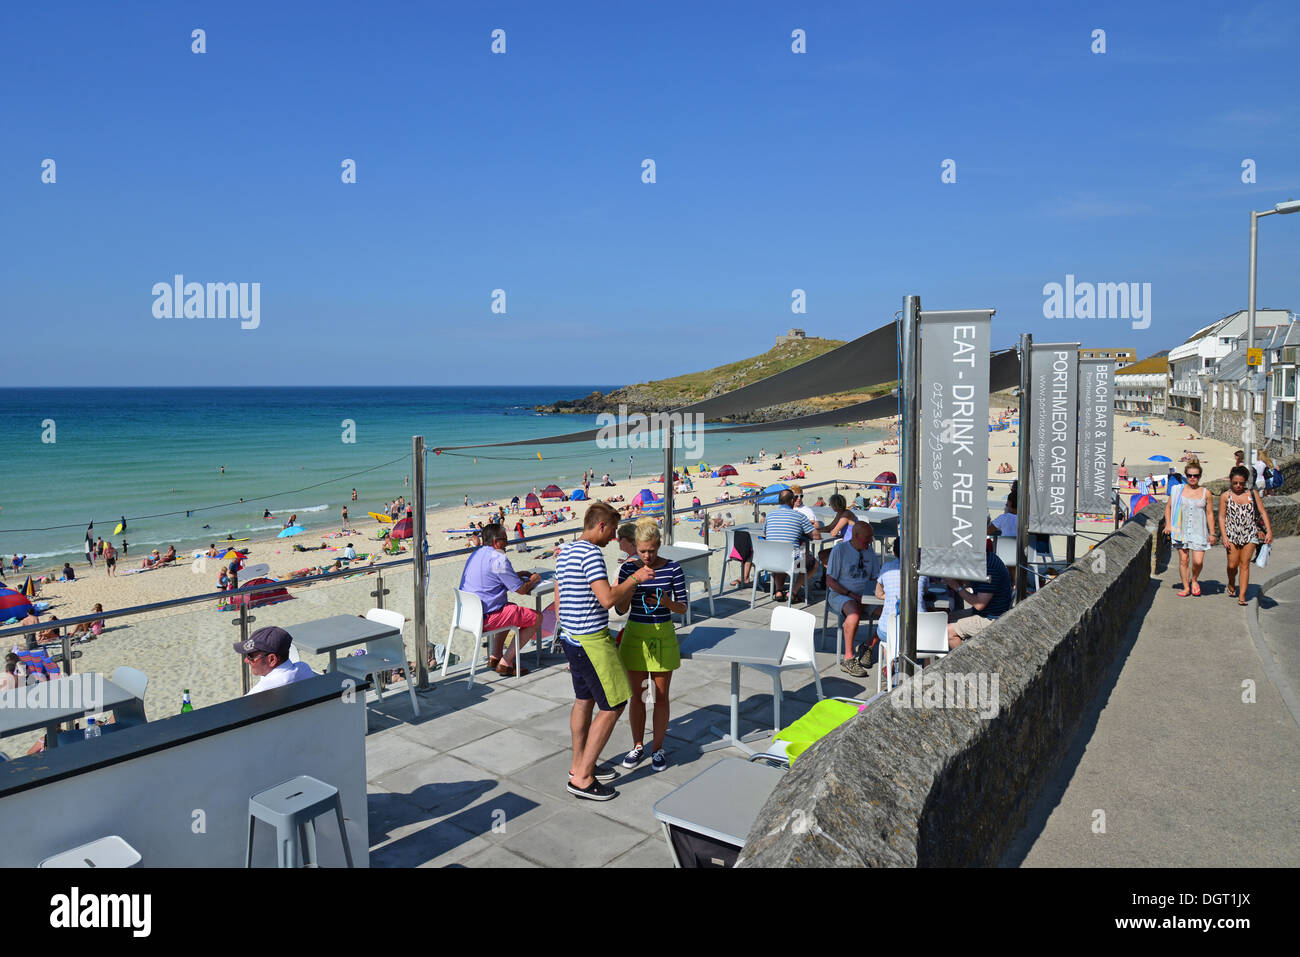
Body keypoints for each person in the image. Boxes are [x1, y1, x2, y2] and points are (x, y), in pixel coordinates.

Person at [555, 502, 655, 801]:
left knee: (584, 700)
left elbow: (560, 601)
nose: (613, 538)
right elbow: (608, 599)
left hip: (571, 638)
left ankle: (578, 766)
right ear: (600, 525)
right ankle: (583, 778)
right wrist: (635, 579)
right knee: (614, 703)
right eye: (611, 530)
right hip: (592, 640)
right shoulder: (591, 554)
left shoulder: (565, 551)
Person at [615, 519, 687, 772]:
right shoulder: (628, 569)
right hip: (635, 635)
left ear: (659, 546)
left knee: (660, 696)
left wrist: (666, 602)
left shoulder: (673, 569)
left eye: (652, 551)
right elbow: (620, 608)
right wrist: (632, 581)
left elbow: (684, 607)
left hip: (663, 635)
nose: (647, 556)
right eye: (642, 551)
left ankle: (657, 748)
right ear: (636, 546)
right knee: (638, 696)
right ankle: (637, 745)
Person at [459, 523, 543, 676]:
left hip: (468, 616)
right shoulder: (498, 559)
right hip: (486, 619)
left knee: (509, 608)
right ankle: (505, 663)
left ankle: (495, 656)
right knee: (537, 618)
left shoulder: (476, 554)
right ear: (496, 542)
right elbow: (521, 590)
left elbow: (494, 576)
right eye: (505, 540)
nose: (508, 543)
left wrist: (517, 574)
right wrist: (534, 579)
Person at [825, 522, 882, 675]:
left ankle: (869, 645)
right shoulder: (840, 550)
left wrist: (878, 595)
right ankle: (849, 658)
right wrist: (852, 595)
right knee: (854, 614)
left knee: (891, 613)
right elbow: (830, 581)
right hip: (842, 594)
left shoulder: (869, 552)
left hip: (867, 596)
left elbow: (876, 577)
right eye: (868, 537)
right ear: (856, 536)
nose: (871, 540)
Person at [1219, 465, 1272, 606]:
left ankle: (1242, 596)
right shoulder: (1226, 496)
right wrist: (1224, 536)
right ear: (1231, 481)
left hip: (1250, 534)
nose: (1238, 486)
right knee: (1232, 565)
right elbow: (1222, 517)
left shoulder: (1252, 495)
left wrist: (1269, 531)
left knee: (1244, 564)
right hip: (1232, 534)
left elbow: (1262, 512)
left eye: (1241, 483)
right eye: (1235, 483)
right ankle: (1231, 582)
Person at [1163, 456, 1216, 597]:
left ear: (1200, 476)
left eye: (1195, 476)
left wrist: (1212, 533)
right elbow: (1168, 508)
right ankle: (1186, 587)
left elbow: (1210, 514)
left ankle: (1194, 579)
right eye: (1190, 475)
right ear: (1186, 475)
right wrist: (1168, 524)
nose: (1192, 478)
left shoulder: (1206, 493)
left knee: (1198, 562)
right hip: (1180, 530)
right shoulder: (1177, 490)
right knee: (1184, 560)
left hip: (1199, 530)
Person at [942, 550, 1014, 648]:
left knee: (949, 631)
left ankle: (965, 662)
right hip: (987, 612)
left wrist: (956, 587)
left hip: (992, 618)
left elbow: (979, 604)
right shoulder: (983, 559)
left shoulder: (989, 567)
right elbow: (972, 583)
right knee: (944, 619)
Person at [876, 537, 932, 662]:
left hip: (888, 629)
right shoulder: (921, 569)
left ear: (895, 553)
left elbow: (878, 593)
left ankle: (890, 664)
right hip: (918, 631)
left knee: (888, 635)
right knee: (928, 637)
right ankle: (928, 672)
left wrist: (892, 595)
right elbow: (924, 591)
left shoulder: (887, 567)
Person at [762, 489, 821, 602]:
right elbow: (816, 536)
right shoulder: (799, 516)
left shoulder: (770, 515)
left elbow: (765, 533)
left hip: (770, 559)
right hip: (791, 560)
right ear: (792, 501)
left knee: (780, 553)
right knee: (813, 563)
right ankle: (793, 591)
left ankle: (779, 591)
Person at [234, 626, 316, 694]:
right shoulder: (304, 668)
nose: (246, 660)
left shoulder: (258, 694)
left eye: (250, 656)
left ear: (272, 659)